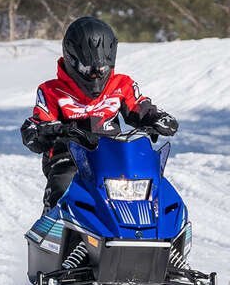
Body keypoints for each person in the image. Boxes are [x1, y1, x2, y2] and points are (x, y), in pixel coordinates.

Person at [21, 16, 179, 211]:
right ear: (71, 60)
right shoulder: (51, 91)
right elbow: (39, 122)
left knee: (153, 188)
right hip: (71, 159)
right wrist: (41, 130)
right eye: (88, 69)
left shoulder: (121, 84)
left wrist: (157, 118)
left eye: (101, 69)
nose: (95, 75)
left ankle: (157, 231)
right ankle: (53, 224)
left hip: (114, 157)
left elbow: (139, 106)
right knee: (64, 186)